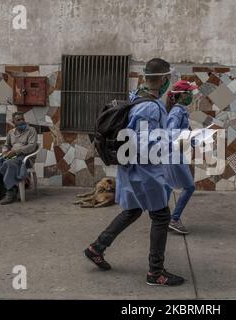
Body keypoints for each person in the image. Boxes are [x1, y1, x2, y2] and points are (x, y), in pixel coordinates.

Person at [84, 58, 185, 286]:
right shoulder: (149, 106)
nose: (170, 82)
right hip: (145, 170)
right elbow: (145, 144)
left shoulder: (136, 96)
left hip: (130, 169)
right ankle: (155, 272)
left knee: (133, 210)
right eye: (169, 78)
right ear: (163, 79)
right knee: (161, 216)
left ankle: (96, 248)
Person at [164, 80, 198, 234]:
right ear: (182, 95)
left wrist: (194, 139)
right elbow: (171, 133)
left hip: (174, 154)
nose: (191, 95)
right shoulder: (177, 111)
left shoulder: (180, 110)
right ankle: (173, 219)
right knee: (189, 187)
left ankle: (162, 218)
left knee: (166, 186)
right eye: (189, 92)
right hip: (174, 155)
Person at [0, 112, 37, 205]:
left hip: (25, 157)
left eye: (22, 119)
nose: (22, 121)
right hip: (12, 155)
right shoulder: (11, 132)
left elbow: (32, 146)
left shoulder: (31, 130)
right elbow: (6, 145)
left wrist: (16, 151)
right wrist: (5, 151)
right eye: (18, 120)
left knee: (9, 164)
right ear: (14, 122)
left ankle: (11, 192)